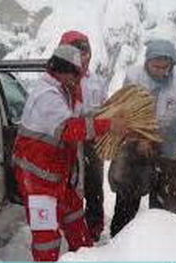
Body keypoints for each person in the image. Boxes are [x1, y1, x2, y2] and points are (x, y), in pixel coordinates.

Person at [12, 44, 127, 261]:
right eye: (76, 75)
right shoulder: (46, 95)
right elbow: (69, 128)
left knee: (77, 225)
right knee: (47, 239)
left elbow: (82, 114)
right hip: (37, 179)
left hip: (59, 176)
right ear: (62, 70)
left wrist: (106, 114)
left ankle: (84, 256)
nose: (78, 80)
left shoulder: (64, 90)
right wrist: (108, 125)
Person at [110, 38, 176, 237]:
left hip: (166, 143)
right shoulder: (134, 77)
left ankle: (156, 242)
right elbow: (126, 111)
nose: (161, 71)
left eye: (165, 67)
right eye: (155, 66)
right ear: (147, 62)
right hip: (136, 144)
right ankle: (119, 239)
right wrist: (139, 137)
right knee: (128, 196)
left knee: (162, 199)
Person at [59, 30, 108, 242]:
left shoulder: (96, 81)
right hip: (67, 140)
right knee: (70, 184)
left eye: (87, 51)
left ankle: (95, 226)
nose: (84, 56)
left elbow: (105, 107)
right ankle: (70, 226)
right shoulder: (59, 80)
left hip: (91, 139)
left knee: (94, 184)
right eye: (79, 51)